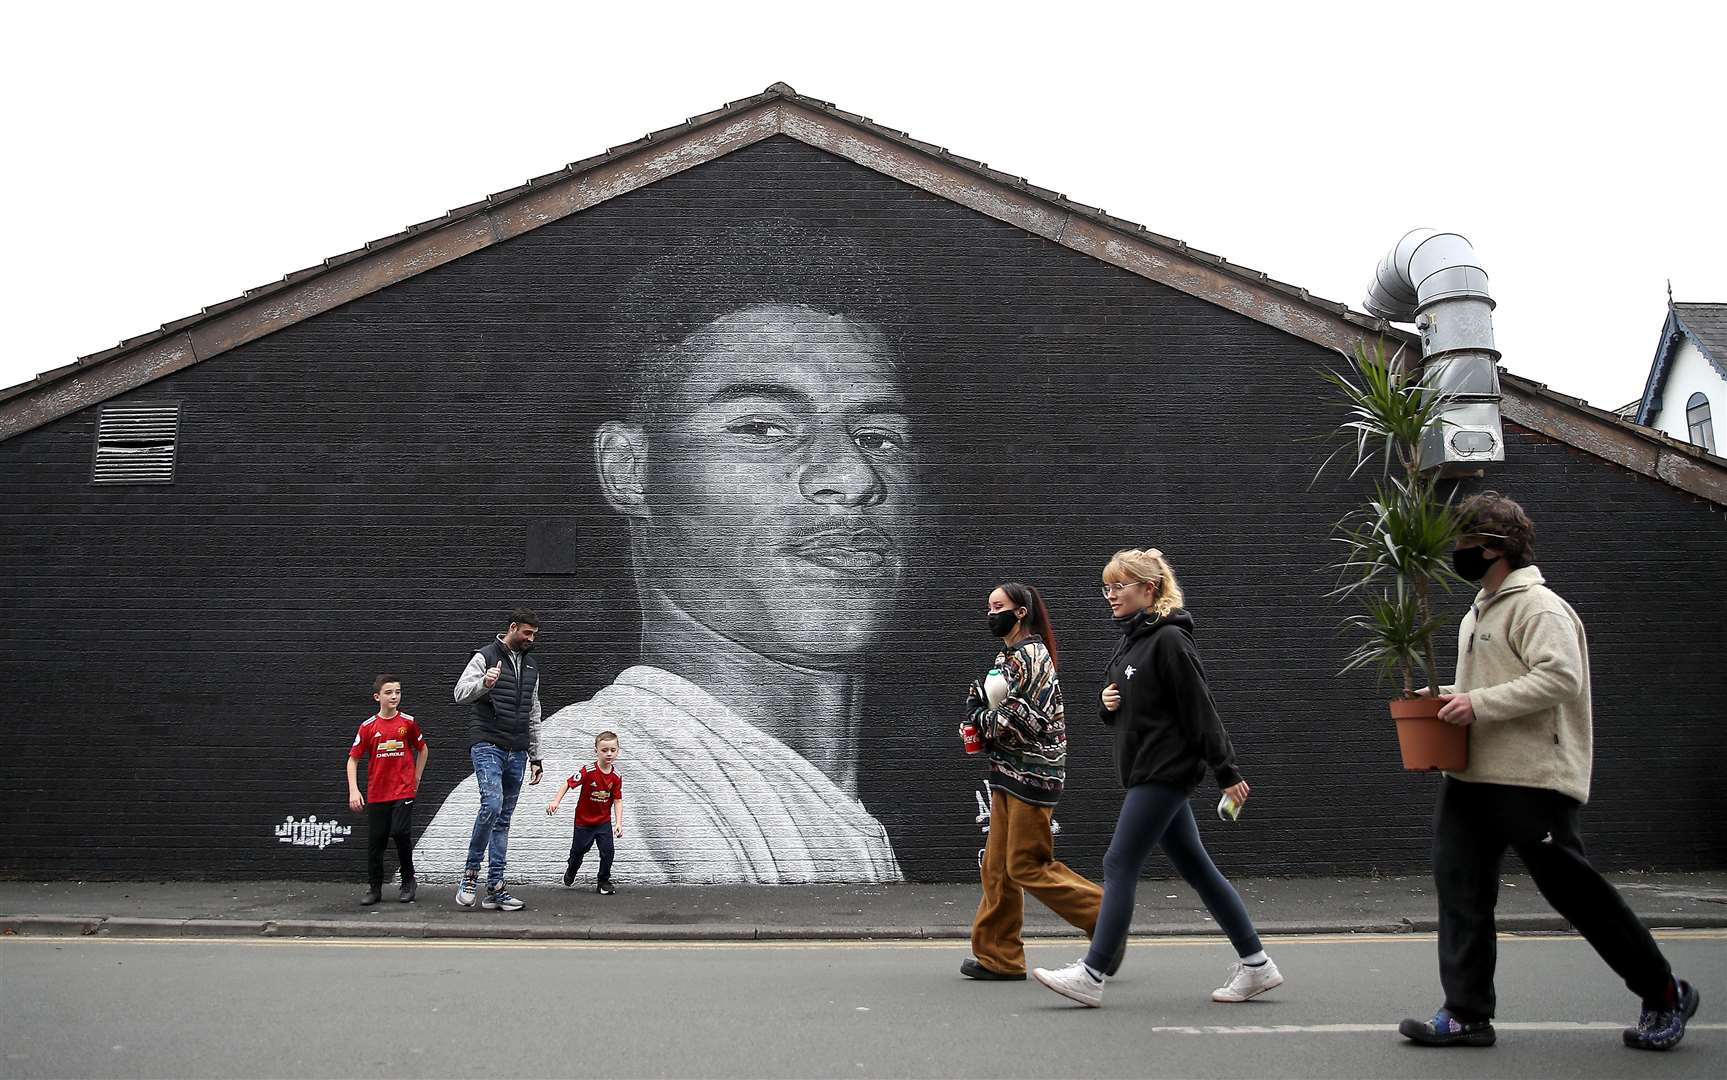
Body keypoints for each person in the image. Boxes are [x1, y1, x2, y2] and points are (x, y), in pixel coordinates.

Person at [422, 219, 921, 885]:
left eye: (879, 434)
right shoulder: (570, 800)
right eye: (762, 428)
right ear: (629, 469)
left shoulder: (848, 804)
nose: (855, 477)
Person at [1398, 492, 1701, 1051]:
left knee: (1577, 896)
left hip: (1531, 778)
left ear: (1493, 547)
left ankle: (1664, 993)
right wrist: (1444, 698)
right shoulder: (1480, 610)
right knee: (1459, 889)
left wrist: (1479, 705)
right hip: (1470, 777)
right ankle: (1466, 1014)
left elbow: (1561, 678)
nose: (1455, 553)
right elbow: (1488, 686)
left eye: (1463, 543)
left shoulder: (1539, 607)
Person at [1034, 548, 1281, 1008]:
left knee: (1118, 862)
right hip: (1147, 767)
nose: (1110, 596)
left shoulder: (1170, 640)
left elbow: (1199, 708)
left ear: (1149, 590)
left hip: (1164, 770)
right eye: (1106, 588)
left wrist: (1227, 771)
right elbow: (1140, 704)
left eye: (1119, 587)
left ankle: (1092, 972)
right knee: (1198, 870)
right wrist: (1108, 704)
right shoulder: (1133, 640)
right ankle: (1257, 965)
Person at [959, 583, 1105, 981]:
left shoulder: (1033, 657)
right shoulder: (1007, 656)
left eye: (998, 607)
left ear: (1021, 612)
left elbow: (1016, 723)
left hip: (1034, 775)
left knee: (1026, 865)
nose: (991, 614)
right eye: (988, 607)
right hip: (1008, 774)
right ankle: (999, 958)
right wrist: (980, 714)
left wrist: (977, 719)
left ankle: (1107, 919)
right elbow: (989, 703)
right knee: (996, 868)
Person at [447, 609, 544, 911]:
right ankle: (470, 875)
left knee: (503, 820)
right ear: (512, 628)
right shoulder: (485, 656)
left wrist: (536, 756)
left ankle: (496, 888)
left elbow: (533, 712)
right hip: (488, 744)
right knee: (492, 805)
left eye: (534, 635)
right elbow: (460, 693)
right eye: (526, 633)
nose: (531, 639)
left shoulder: (530, 667)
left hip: (516, 750)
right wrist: (485, 684)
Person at [346, 674, 428, 905]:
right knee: (377, 840)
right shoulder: (368, 727)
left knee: (401, 833)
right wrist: (354, 790)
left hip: (403, 790)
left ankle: (408, 881)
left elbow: (423, 750)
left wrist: (416, 776)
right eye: (389, 692)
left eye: (398, 692)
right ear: (377, 697)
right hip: (377, 793)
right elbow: (352, 760)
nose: (394, 696)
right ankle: (374, 888)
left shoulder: (408, 723)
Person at [545, 730, 625, 894]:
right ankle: (572, 868)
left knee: (608, 852)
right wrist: (556, 801)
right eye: (604, 750)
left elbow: (617, 800)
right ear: (596, 750)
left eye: (612, 750)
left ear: (617, 751)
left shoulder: (616, 776)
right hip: (584, 822)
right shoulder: (588, 771)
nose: (609, 754)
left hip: (603, 822)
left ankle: (603, 881)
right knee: (578, 851)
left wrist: (618, 823)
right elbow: (567, 783)